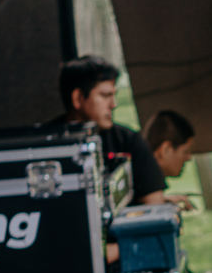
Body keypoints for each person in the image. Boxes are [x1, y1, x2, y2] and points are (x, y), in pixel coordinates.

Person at [55, 55, 166, 205]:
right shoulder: (47, 144)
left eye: (114, 95)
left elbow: (154, 205)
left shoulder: (129, 141)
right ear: (78, 98)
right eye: (105, 95)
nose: (113, 104)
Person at [143, 109, 197, 210]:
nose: (188, 158)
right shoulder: (146, 178)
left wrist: (164, 200)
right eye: (185, 151)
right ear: (165, 149)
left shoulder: (144, 177)